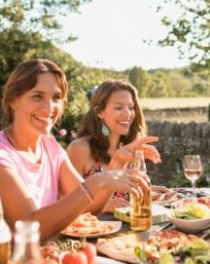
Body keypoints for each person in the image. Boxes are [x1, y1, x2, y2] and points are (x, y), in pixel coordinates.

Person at [0, 59, 151, 239]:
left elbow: (87, 207)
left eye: (56, 98)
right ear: (14, 101)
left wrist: (115, 166)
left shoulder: (49, 146)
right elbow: (29, 228)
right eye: (37, 96)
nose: (49, 108)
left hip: (50, 258)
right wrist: (95, 182)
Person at [67, 79, 165, 210]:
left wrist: (151, 190)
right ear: (99, 112)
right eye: (118, 108)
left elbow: (123, 193)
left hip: (129, 227)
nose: (127, 114)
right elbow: (67, 204)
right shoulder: (80, 148)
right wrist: (103, 206)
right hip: (94, 228)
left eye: (131, 107)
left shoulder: (130, 148)